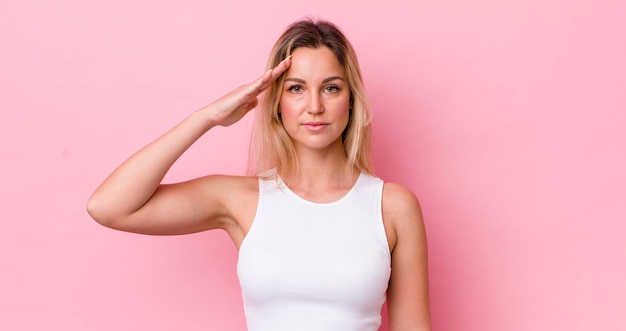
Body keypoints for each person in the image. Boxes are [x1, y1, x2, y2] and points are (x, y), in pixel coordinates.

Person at [87, 18, 431, 331]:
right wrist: (207, 117)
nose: (315, 106)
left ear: (351, 100)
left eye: (331, 88)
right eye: (296, 88)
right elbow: (109, 206)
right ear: (277, 102)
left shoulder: (393, 207)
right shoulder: (242, 201)